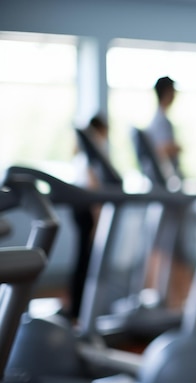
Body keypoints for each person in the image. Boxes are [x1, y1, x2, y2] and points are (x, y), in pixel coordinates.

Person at [69, 114, 109, 319]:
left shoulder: (83, 153)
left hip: (78, 208)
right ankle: (79, 310)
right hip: (86, 210)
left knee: (83, 258)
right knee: (86, 259)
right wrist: (98, 221)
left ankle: (80, 308)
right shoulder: (92, 156)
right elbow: (94, 190)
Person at [145, 75, 183, 174]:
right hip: (166, 176)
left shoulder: (158, 118)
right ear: (167, 92)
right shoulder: (161, 121)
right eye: (173, 91)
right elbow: (160, 150)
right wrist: (177, 147)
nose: (175, 95)